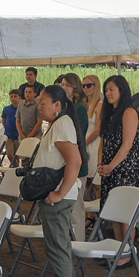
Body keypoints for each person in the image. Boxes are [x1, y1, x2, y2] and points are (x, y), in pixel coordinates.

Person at [31, 86, 86, 277]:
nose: (39, 106)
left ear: (58, 105)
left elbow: (75, 161)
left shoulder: (62, 124)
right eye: (39, 102)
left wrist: (60, 193)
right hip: (54, 194)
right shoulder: (57, 124)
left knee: (59, 247)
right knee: (55, 246)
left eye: (44, 102)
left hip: (59, 197)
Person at [97, 75, 139, 246]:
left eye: (111, 90)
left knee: (125, 214)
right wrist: (100, 164)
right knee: (114, 213)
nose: (108, 93)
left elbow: (127, 145)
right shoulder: (109, 113)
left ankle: (127, 252)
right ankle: (119, 248)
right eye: (106, 90)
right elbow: (103, 141)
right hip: (110, 169)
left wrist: (110, 166)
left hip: (125, 170)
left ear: (121, 91)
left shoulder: (129, 112)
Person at [59, 72, 91, 242]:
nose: (64, 88)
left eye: (67, 85)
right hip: (67, 161)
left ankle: (78, 243)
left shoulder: (78, 108)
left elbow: (74, 135)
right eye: (62, 85)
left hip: (77, 162)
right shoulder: (66, 107)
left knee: (76, 207)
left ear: (75, 88)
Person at [2, 88, 21, 166]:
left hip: (18, 135)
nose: (13, 98)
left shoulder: (21, 109)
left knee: (17, 154)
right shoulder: (6, 109)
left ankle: (16, 170)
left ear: (19, 97)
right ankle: (15, 166)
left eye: (15, 96)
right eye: (11, 96)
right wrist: (7, 129)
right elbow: (4, 121)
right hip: (9, 135)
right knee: (9, 153)